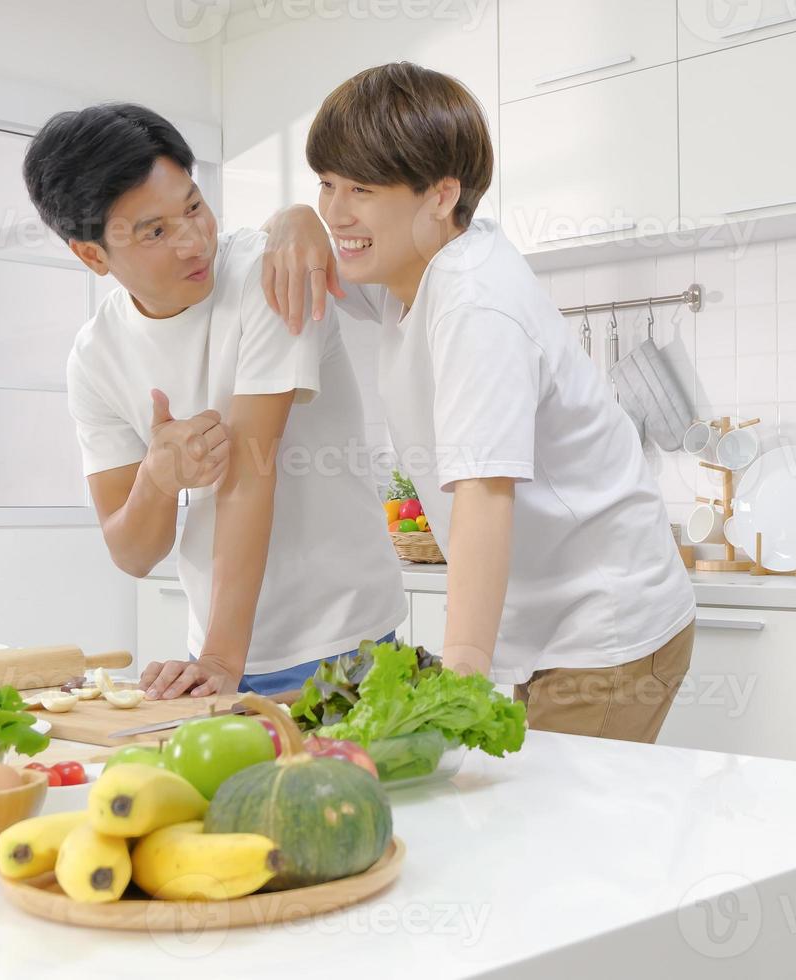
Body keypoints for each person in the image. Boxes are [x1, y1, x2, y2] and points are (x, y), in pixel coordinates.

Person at [264, 63, 696, 743]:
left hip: (604, 629)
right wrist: (294, 217)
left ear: (441, 195)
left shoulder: (476, 305)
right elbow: (326, 253)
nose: (336, 210)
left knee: (568, 837)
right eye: (326, 183)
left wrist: (459, 681)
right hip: (556, 625)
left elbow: (485, 496)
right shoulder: (419, 265)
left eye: (361, 190)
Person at [23, 103, 405, 700]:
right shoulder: (95, 357)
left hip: (344, 645)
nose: (194, 241)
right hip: (216, 653)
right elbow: (131, 552)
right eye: (154, 232)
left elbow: (250, 473)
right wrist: (157, 478)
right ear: (93, 255)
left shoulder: (266, 274)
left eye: (195, 207)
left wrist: (222, 660)